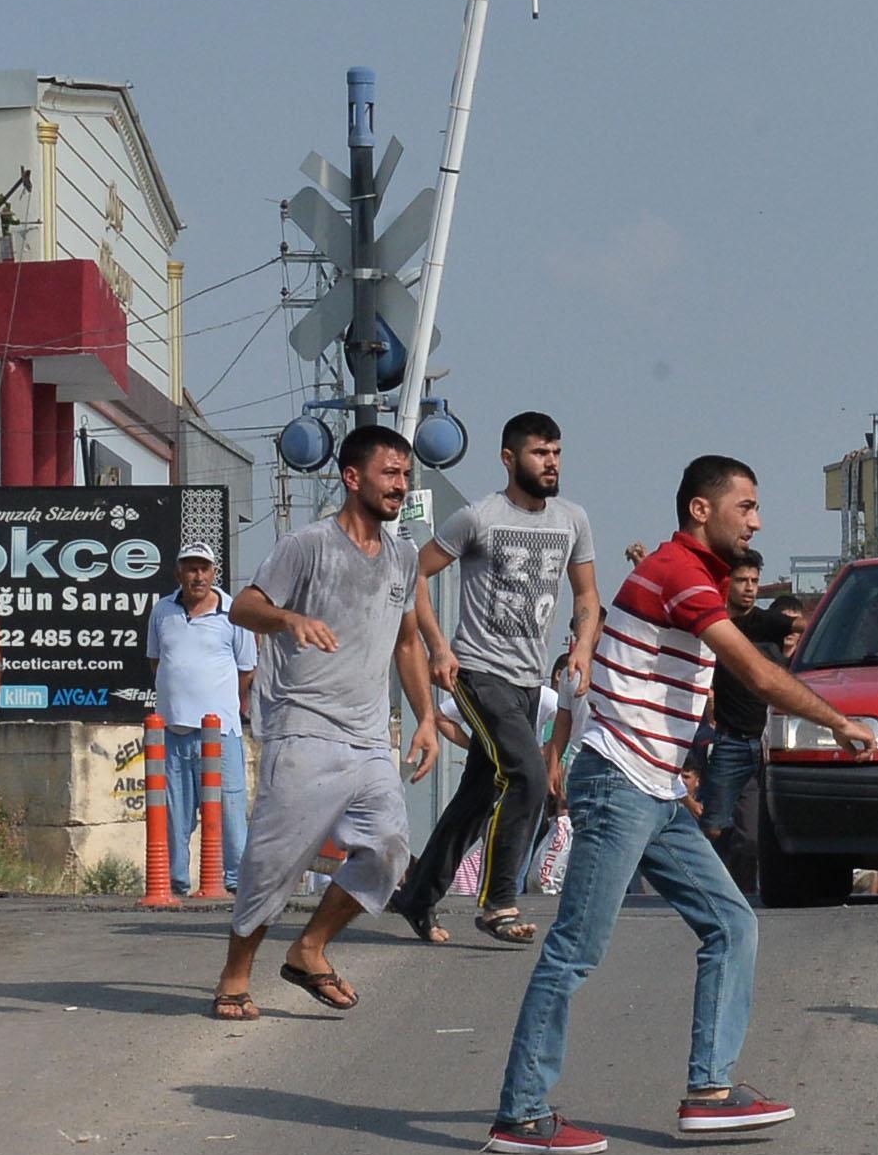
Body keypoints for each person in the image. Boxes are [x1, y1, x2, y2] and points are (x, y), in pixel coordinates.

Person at [486, 456, 878, 1155]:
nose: (757, 520)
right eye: (747, 507)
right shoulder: (680, 573)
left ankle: (710, 1093)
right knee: (575, 950)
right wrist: (840, 723)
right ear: (701, 510)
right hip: (618, 784)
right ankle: (520, 1114)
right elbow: (756, 671)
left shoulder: (697, 576)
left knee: (732, 925)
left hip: (659, 791)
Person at [210, 426, 440, 1022]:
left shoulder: (405, 557)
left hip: (367, 736)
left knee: (389, 851)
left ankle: (310, 948)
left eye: (406, 475)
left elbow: (408, 641)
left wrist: (426, 720)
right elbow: (243, 606)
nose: (401, 484)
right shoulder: (306, 546)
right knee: (272, 863)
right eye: (390, 473)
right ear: (352, 477)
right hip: (303, 726)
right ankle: (236, 975)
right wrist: (288, 618)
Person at [390, 412, 598, 946]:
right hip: (478, 672)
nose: (550, 463)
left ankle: (417, 895)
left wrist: (585, 649)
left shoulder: (572, 519)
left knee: (479, 794)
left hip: (530, 681)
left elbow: (587, 597)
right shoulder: (478, 517)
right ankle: (498, 901)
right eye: (538, 453)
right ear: (509, 459)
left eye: (556, 452)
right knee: (528, 772)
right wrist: (438, 647)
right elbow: (416, 572)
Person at [146, 542, 255, 893]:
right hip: (173, 731)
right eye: (191, 569)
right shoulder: (162, 610)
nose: (197, 576)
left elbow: (246, 669)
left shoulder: (233, 611)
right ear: (179, 573)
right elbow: (156, 661)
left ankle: (236, 883)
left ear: (213, 573)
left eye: (203, 569)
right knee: (174, 813)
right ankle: (174, 882)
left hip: (219, 734)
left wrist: (219, 700)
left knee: (229, 810)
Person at [696, 549, 789, 880]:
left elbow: (803, 623)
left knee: (751, 838)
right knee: (712, 830)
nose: (749, 587)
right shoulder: (714, 625)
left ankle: (742, 897)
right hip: (728, 742)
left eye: (754, 581)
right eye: (741, 580)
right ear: (727, 582)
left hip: (762, 744)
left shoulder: (766, 624)